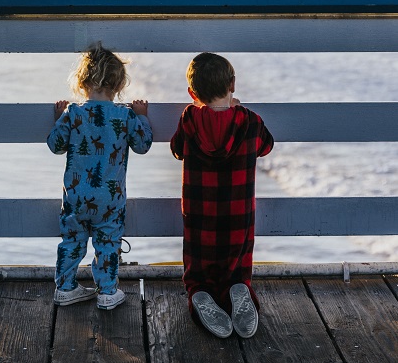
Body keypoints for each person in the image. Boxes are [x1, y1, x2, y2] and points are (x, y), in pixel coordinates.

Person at [170, 52, 273, 339]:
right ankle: (237, 287)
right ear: (233, 84)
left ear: (192, 93)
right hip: (238, 213)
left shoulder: (189, 119)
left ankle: (200, 292)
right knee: (236, 257)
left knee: (199, 260)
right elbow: (266, 146)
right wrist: (237, 111)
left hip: (199, 211)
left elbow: (177, 149)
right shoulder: (250, 121)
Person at [47, 42, 152, 310]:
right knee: (107, 242)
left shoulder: (74, 113)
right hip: (109, 199)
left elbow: (56, 145)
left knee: (72, 240)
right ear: (118, 85)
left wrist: (59, 118)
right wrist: (143, 118)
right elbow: (142, 145)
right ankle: (107, 292)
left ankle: (65, 287)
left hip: (75, 197)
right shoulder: (125, 115)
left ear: (82, 83)